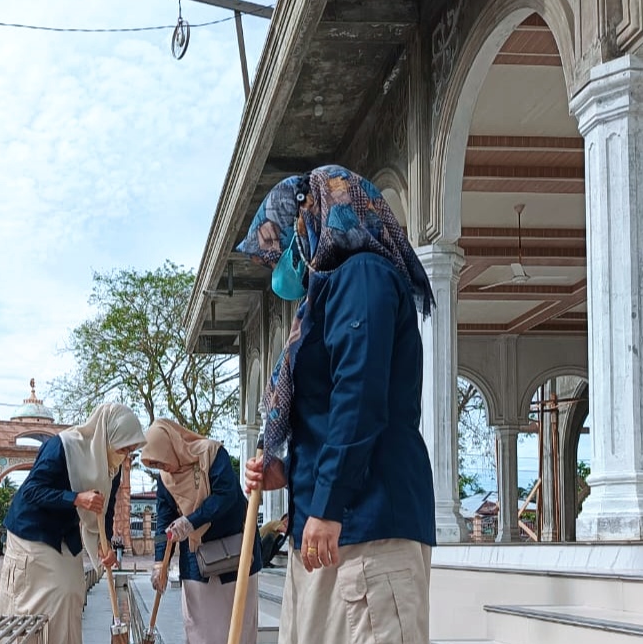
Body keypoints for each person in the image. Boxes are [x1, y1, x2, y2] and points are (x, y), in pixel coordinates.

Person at [238, 165, 436, 644]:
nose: (284, 262)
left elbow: (360, 397)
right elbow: (330, 413)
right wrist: (289, 472)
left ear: (311, 218)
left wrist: (328, 505)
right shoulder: (328, 294)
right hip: (332, 530)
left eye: (283, 243)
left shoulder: (362, 275)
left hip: (364, 526)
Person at [0, 402, 145, 644]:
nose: (125, 455)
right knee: (37, 602)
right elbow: (31, 491)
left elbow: (104, 508)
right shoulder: (63, 446)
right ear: (109, 435)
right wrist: (76, 498)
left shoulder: (111, 465)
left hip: (65, 534)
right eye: (124, 447)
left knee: (72, 592)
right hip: (32, 532)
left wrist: (102, 545)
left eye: (130, 450)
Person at [140, 419, 262, 644]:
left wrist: (190, 522)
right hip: (197, 561)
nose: (163, 468)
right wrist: (160, 564)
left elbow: (226, 496)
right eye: (156, 464)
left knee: (239, 627)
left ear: (172, 446)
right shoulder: (165, 480)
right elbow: (164, 522)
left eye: (162, 460)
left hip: (234, 552)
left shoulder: (212, 454)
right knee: (200, 631)